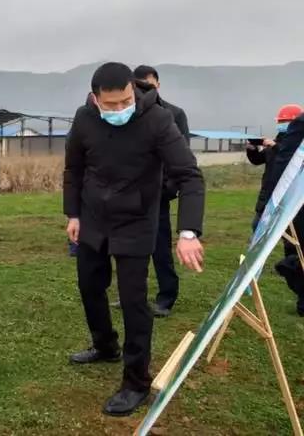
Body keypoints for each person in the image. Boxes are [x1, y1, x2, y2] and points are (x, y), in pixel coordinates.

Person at [64, 62, 205, 416]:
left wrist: (188, 232)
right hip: (94, 217)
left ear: (133, 90)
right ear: (96, 99)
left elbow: (189, 175)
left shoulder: (157, 119)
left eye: (125, 101)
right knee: (89, 286)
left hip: (137, 220)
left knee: (133, 301)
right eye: (110, 105)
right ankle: (105, 346)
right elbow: (74, 169)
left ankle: (136, 381)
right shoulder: (84, 119)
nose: (120, 109)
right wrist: (73, 214)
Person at [133, 65, 190, 318]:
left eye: (148, 85)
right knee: (132, 247)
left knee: (160, 247)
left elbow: (181, 156)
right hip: (131, 193)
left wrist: (168, 187)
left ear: (158, 84)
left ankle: (166, 296)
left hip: (158, 193)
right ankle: (133, 293)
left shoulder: (174, 113)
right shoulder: (131, 113)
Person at [263, 105, 304, 316]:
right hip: (297, 202)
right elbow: (283, 167)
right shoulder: (300, 126)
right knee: (296, 249)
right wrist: (273, 202)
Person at [248, 104, 303, 233]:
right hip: (268, 195)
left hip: (287, 195)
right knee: (257, 227)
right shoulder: (275, 141)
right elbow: (257, 160)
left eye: (285, 121)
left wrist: (275, 146)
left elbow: (290, 157)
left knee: (291, 232)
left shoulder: (298, 146)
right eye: (280, 121)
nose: (281, 124)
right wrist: (252, 150)